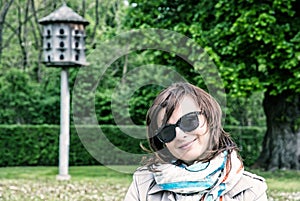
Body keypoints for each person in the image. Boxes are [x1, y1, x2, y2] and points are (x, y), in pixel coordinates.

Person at [124, 82, 268, 201]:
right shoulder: (143, 183)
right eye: (167, 131)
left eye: (189, 121)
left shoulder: (251, 190)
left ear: (210, 118)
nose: (180, 135)